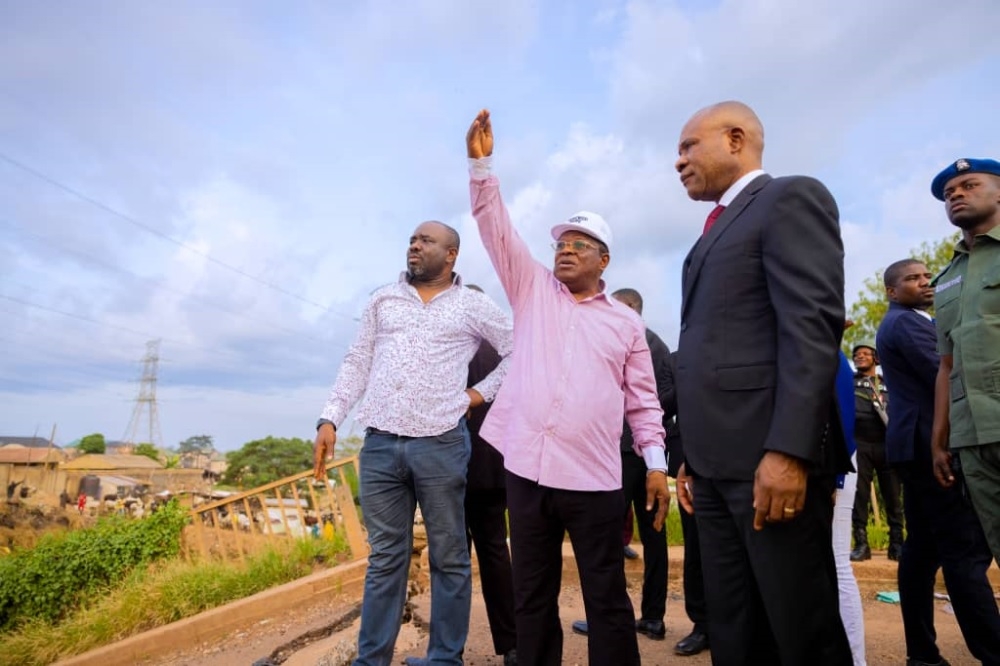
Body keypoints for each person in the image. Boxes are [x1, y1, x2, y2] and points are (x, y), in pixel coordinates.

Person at [466, 109, 670, 666]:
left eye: (581, 244)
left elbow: (644, 403)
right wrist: (482, 166)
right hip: (526, 471)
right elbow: (495, 228)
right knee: (533, 594)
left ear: (604, 261)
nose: (566, 249)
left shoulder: (626, 324)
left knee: (605, 594)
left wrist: (654, 464)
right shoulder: (531, 290)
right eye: (561, 242)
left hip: (594, 477)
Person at [672, 101, 853, 665]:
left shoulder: (787, 199)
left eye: (687, 147)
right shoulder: (711, 233)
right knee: (734, 629)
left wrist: (789, 452)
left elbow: (810, 328)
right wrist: (691, 456)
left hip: (767, 467)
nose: (677, 162)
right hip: (714, 467)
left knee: (799, 630)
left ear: (734, 138)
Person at [312, 221, 514, 666]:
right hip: (381, 445)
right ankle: (372, 660)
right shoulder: (383, 299)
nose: (415, 246)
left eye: (426, 241)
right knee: (385, 559)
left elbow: (520, 349)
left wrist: (478, 394)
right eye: (412, 240)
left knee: (449, 557)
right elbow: (358, 359)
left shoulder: (472, 305)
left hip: (441, 444)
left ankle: (444, 658)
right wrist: (330, 416)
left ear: (452, 254)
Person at [878, 257, 1000, 666]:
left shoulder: (908, 321)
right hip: (931, 446)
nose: (926, 283)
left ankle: (923, 654)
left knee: (923, 552)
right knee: (962, 551)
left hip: (914, 446)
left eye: (928, 276)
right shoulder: (908, 323)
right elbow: (948, 372)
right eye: (913, 279)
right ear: (892, 292)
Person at [570, 287, 672, 643]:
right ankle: (653, 617)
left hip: (623, 453)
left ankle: (610, 618)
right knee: (653, 538)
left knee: (608, 537)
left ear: (630, 309)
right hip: (650, 456)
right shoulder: (659, 345)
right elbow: (668, 397)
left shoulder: (631, 340)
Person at [931, 157, 1000, 564]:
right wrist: (939, 440)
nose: (956, 194)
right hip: (972, 439)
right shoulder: (947, 279)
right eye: (949, 193)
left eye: (969, 185)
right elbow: (946, 364)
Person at [463, 284, 518, 666]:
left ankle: (449, 652)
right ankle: (513, 647)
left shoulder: (453, 349)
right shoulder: (504, 351)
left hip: (455, 470)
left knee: (452, 563)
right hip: (496, 468)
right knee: (496, 555)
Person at [669, 353, 711, 658]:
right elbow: (659, 405)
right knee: (696, 549)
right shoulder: (675, 362)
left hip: (741, 464)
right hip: (692, 467)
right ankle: (702, 625)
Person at [849, 342, 904, 562]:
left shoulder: (889, 382)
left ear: (876, 359)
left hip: (886, 445)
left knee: (893, 496)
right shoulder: (850, 382)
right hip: (859, 444)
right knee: (858, 496)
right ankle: (862, 544)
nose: (860, 356)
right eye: (856, 354)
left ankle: (897, 543)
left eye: (865, 353)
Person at [833, 347, 867, 666]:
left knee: (837, 562)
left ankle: (856, 659)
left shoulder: (830, 353)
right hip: (826, 468)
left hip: (834, 469)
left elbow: (844, 415)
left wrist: (835, 478)